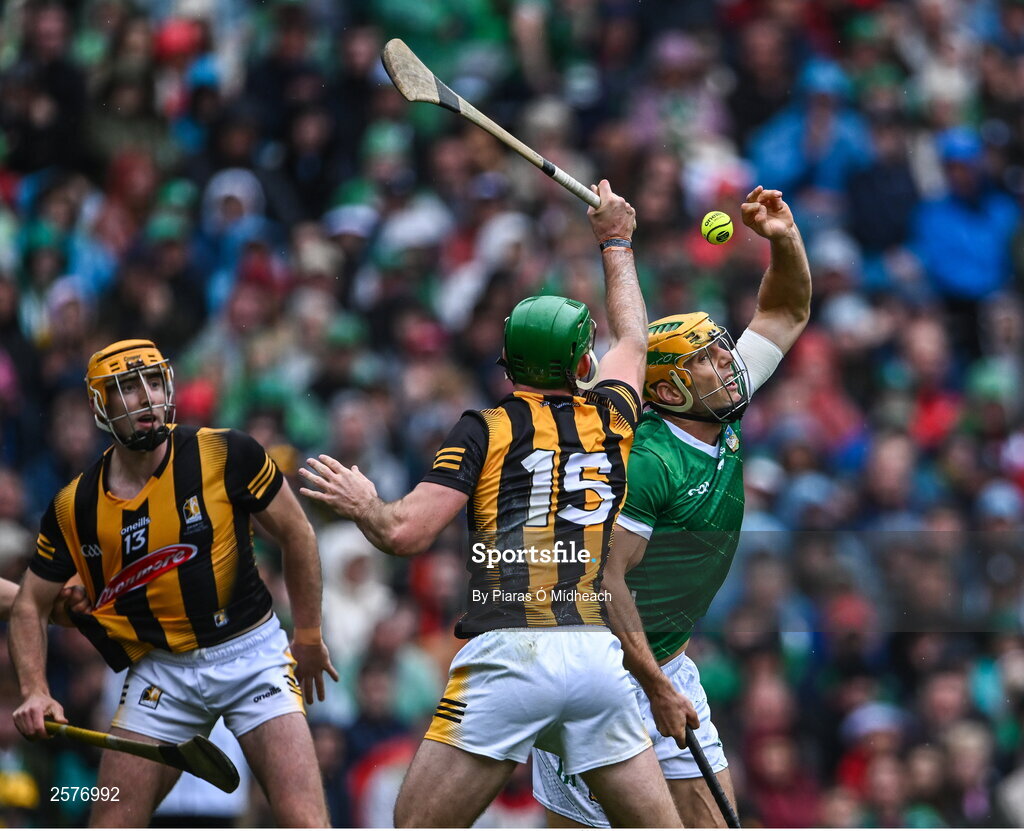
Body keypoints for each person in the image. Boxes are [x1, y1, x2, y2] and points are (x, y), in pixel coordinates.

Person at [299, 180, 684, 827]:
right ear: (580, 359)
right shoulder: (613, 412)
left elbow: (404, 532)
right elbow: (636, 338)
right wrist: (615, 242)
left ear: (506, 360)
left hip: (511, 653)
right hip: (595, 656)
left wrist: (365, 502)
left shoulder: (483, 429)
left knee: (415, 824)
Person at [533, 185, 812, 827]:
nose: (729, 362)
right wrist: (654, 686)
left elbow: (787, 310)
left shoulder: (719, 407)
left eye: (721, 347)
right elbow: (605, 582)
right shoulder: (650, 462)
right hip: (598, 673)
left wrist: (784, 238)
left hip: (666, 661)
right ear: (671, 387)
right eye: (709, 358)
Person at [9, 338, 338, 826]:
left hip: (253, 657)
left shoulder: (228, 453)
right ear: (101, 405)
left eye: (153, 381)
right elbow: (28, 606)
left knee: (305, 822)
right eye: (127, 387)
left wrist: (308, 634)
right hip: (161, 673)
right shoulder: (74, 506)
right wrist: (35, 689)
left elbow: (297, 532)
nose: (145, 396)